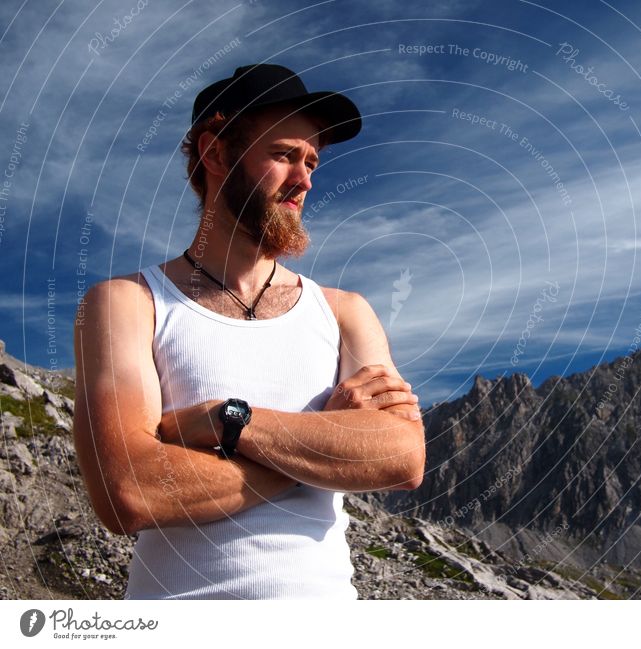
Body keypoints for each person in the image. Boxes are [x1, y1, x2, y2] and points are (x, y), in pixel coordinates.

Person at [72, 64, 426, 599]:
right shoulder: (125, 303)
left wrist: (228, 421)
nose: (305, 179)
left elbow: (401, 457)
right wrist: (325, 449)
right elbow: (130, 491)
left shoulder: (345, 312)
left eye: (312, 162)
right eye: (284, 155)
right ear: (215, 154)